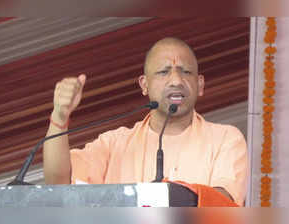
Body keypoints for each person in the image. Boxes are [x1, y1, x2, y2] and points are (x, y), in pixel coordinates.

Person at [43, 37, 248, 206]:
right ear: (144, 85)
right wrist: (59, 117)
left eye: (186, 72)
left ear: (200, 85)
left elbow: (223, 204)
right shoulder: (114, 144)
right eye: (163, 72)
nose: (176, 81)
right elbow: (58, 183)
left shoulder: (225, 138)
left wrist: (166, 195)